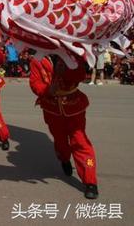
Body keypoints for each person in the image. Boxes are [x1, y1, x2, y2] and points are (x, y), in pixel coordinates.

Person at [29, 54, 99, 199]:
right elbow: (34, 82)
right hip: (51, 108)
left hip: (74, 106)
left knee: (80, 141)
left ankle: (90, 181)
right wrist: (48, 90)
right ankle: (64, 158)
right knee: (60, 141)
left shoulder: (72, 55)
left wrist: (68, 66)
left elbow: (80, 76)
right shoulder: (37, 59)